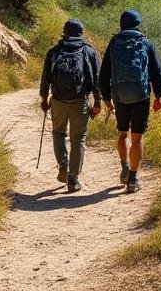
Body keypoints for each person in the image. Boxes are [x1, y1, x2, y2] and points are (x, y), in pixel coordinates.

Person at [100, 9, 161, 194]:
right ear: (138, 24)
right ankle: (133, 179)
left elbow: (103, 75)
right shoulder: (146, 43)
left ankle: (124, 167)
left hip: (119, 95)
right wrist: (158, 96)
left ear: (121, 24)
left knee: (122, 133)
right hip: (141, 96)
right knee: (137, 138)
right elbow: (156, 72)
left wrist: (107, 98)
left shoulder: (113, 43)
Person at [39, 19, 102, 193]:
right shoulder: (89, 51)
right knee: (78, 139)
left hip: (58, 100)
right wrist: (97, 101)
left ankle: (62, 166)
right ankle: (73, 178)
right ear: (81, 33)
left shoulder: (54, 51)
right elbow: (96, 79)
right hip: (79, 100)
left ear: (64, 32)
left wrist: (44, 99)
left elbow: (45, 79)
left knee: (58, 133)